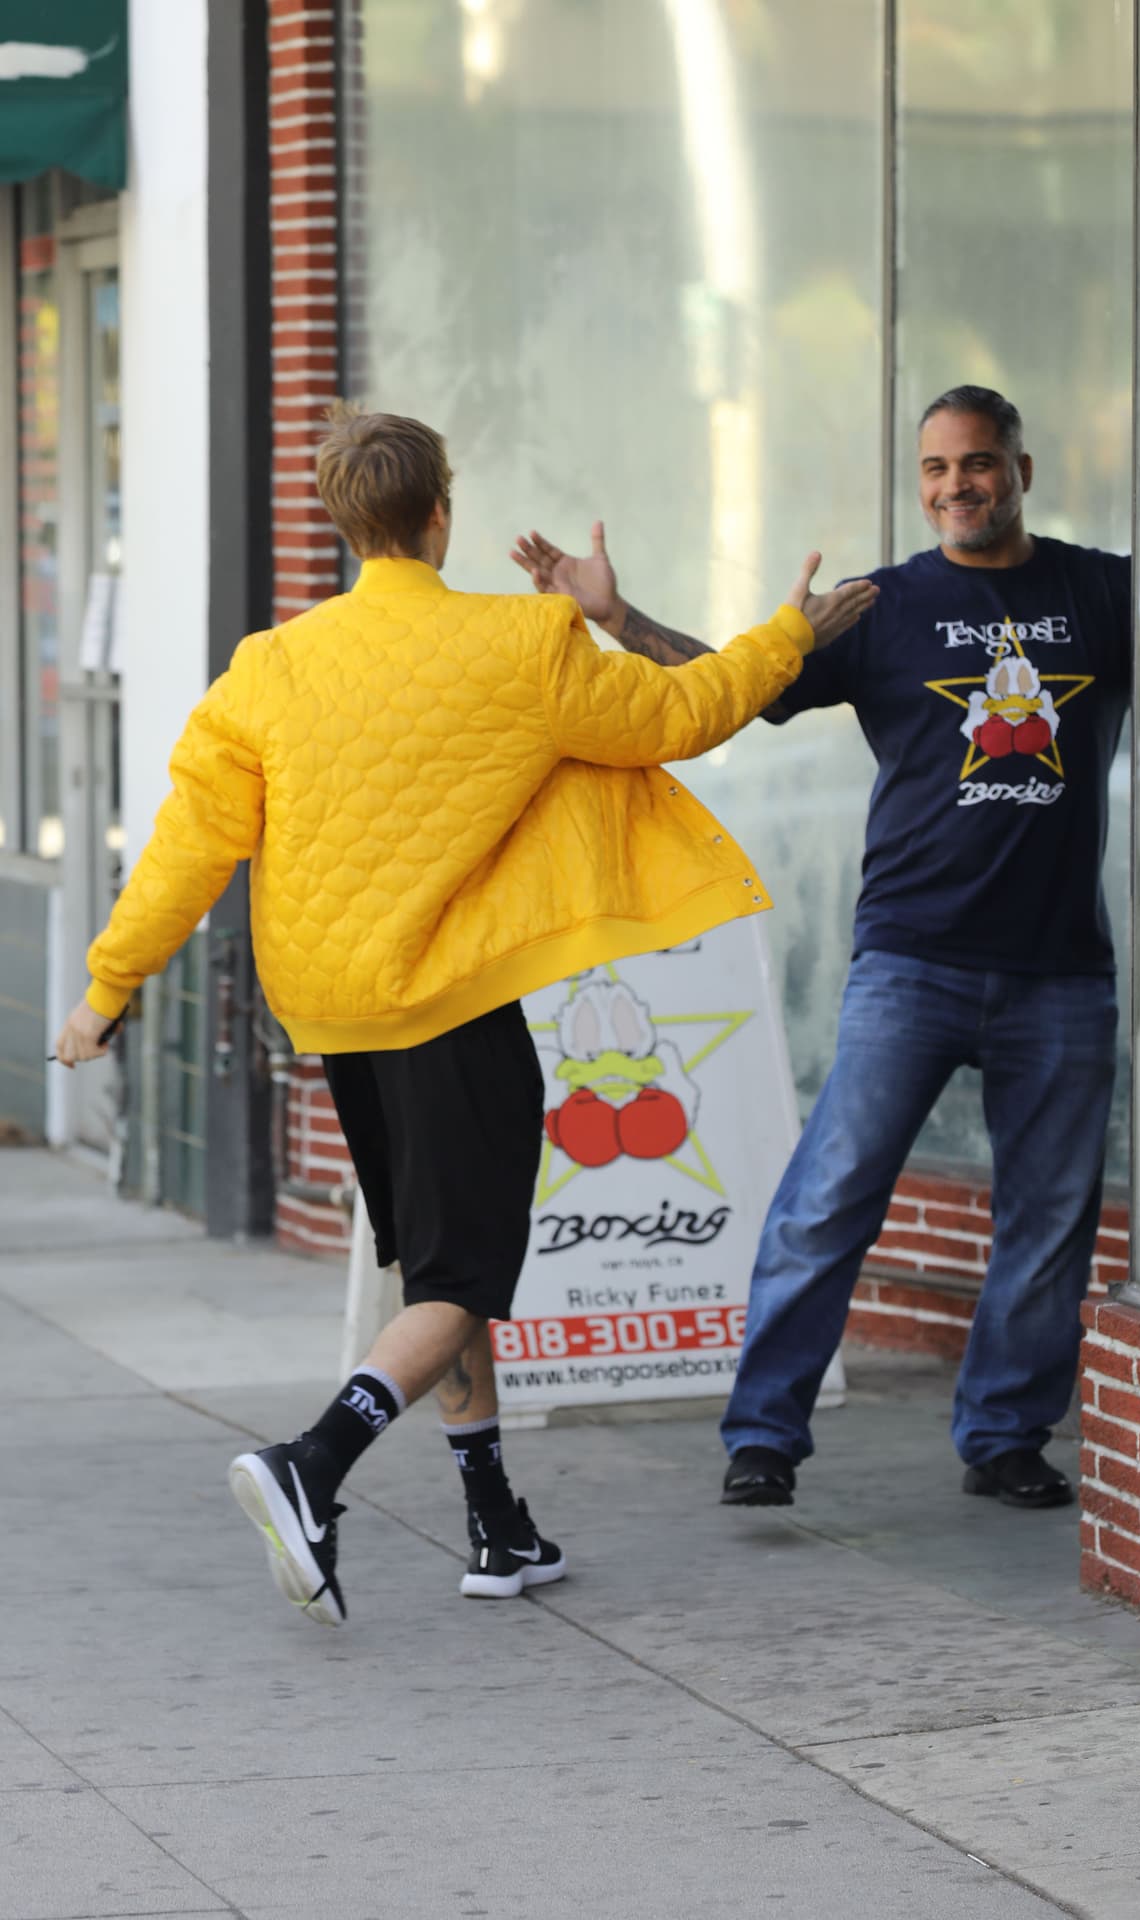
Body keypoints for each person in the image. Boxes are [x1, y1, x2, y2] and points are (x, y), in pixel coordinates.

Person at [54, 405, 877, 1625]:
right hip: (447, 1006)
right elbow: (684, 717)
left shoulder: (267, 670)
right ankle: (310, 1465)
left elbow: (186, 852)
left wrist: (105, 991)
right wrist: (786, 634)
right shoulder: (521, 645)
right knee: (464, 1278)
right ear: (441, 514)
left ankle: (498, 1528)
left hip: (335, 1014)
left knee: (432, 1267)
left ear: (345, 526)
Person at [511, 385, 1129, 1515]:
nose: (956, 488)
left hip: (1060, 972)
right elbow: (731, 689)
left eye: (979, 465)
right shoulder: (878, 605)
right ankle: (762, 1436)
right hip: (911, 961)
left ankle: (1003, 1438)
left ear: (1020, 473)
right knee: (828, 1198)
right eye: (936, 469)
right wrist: (613, 613)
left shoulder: (1099, 590)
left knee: (1047, 1220)